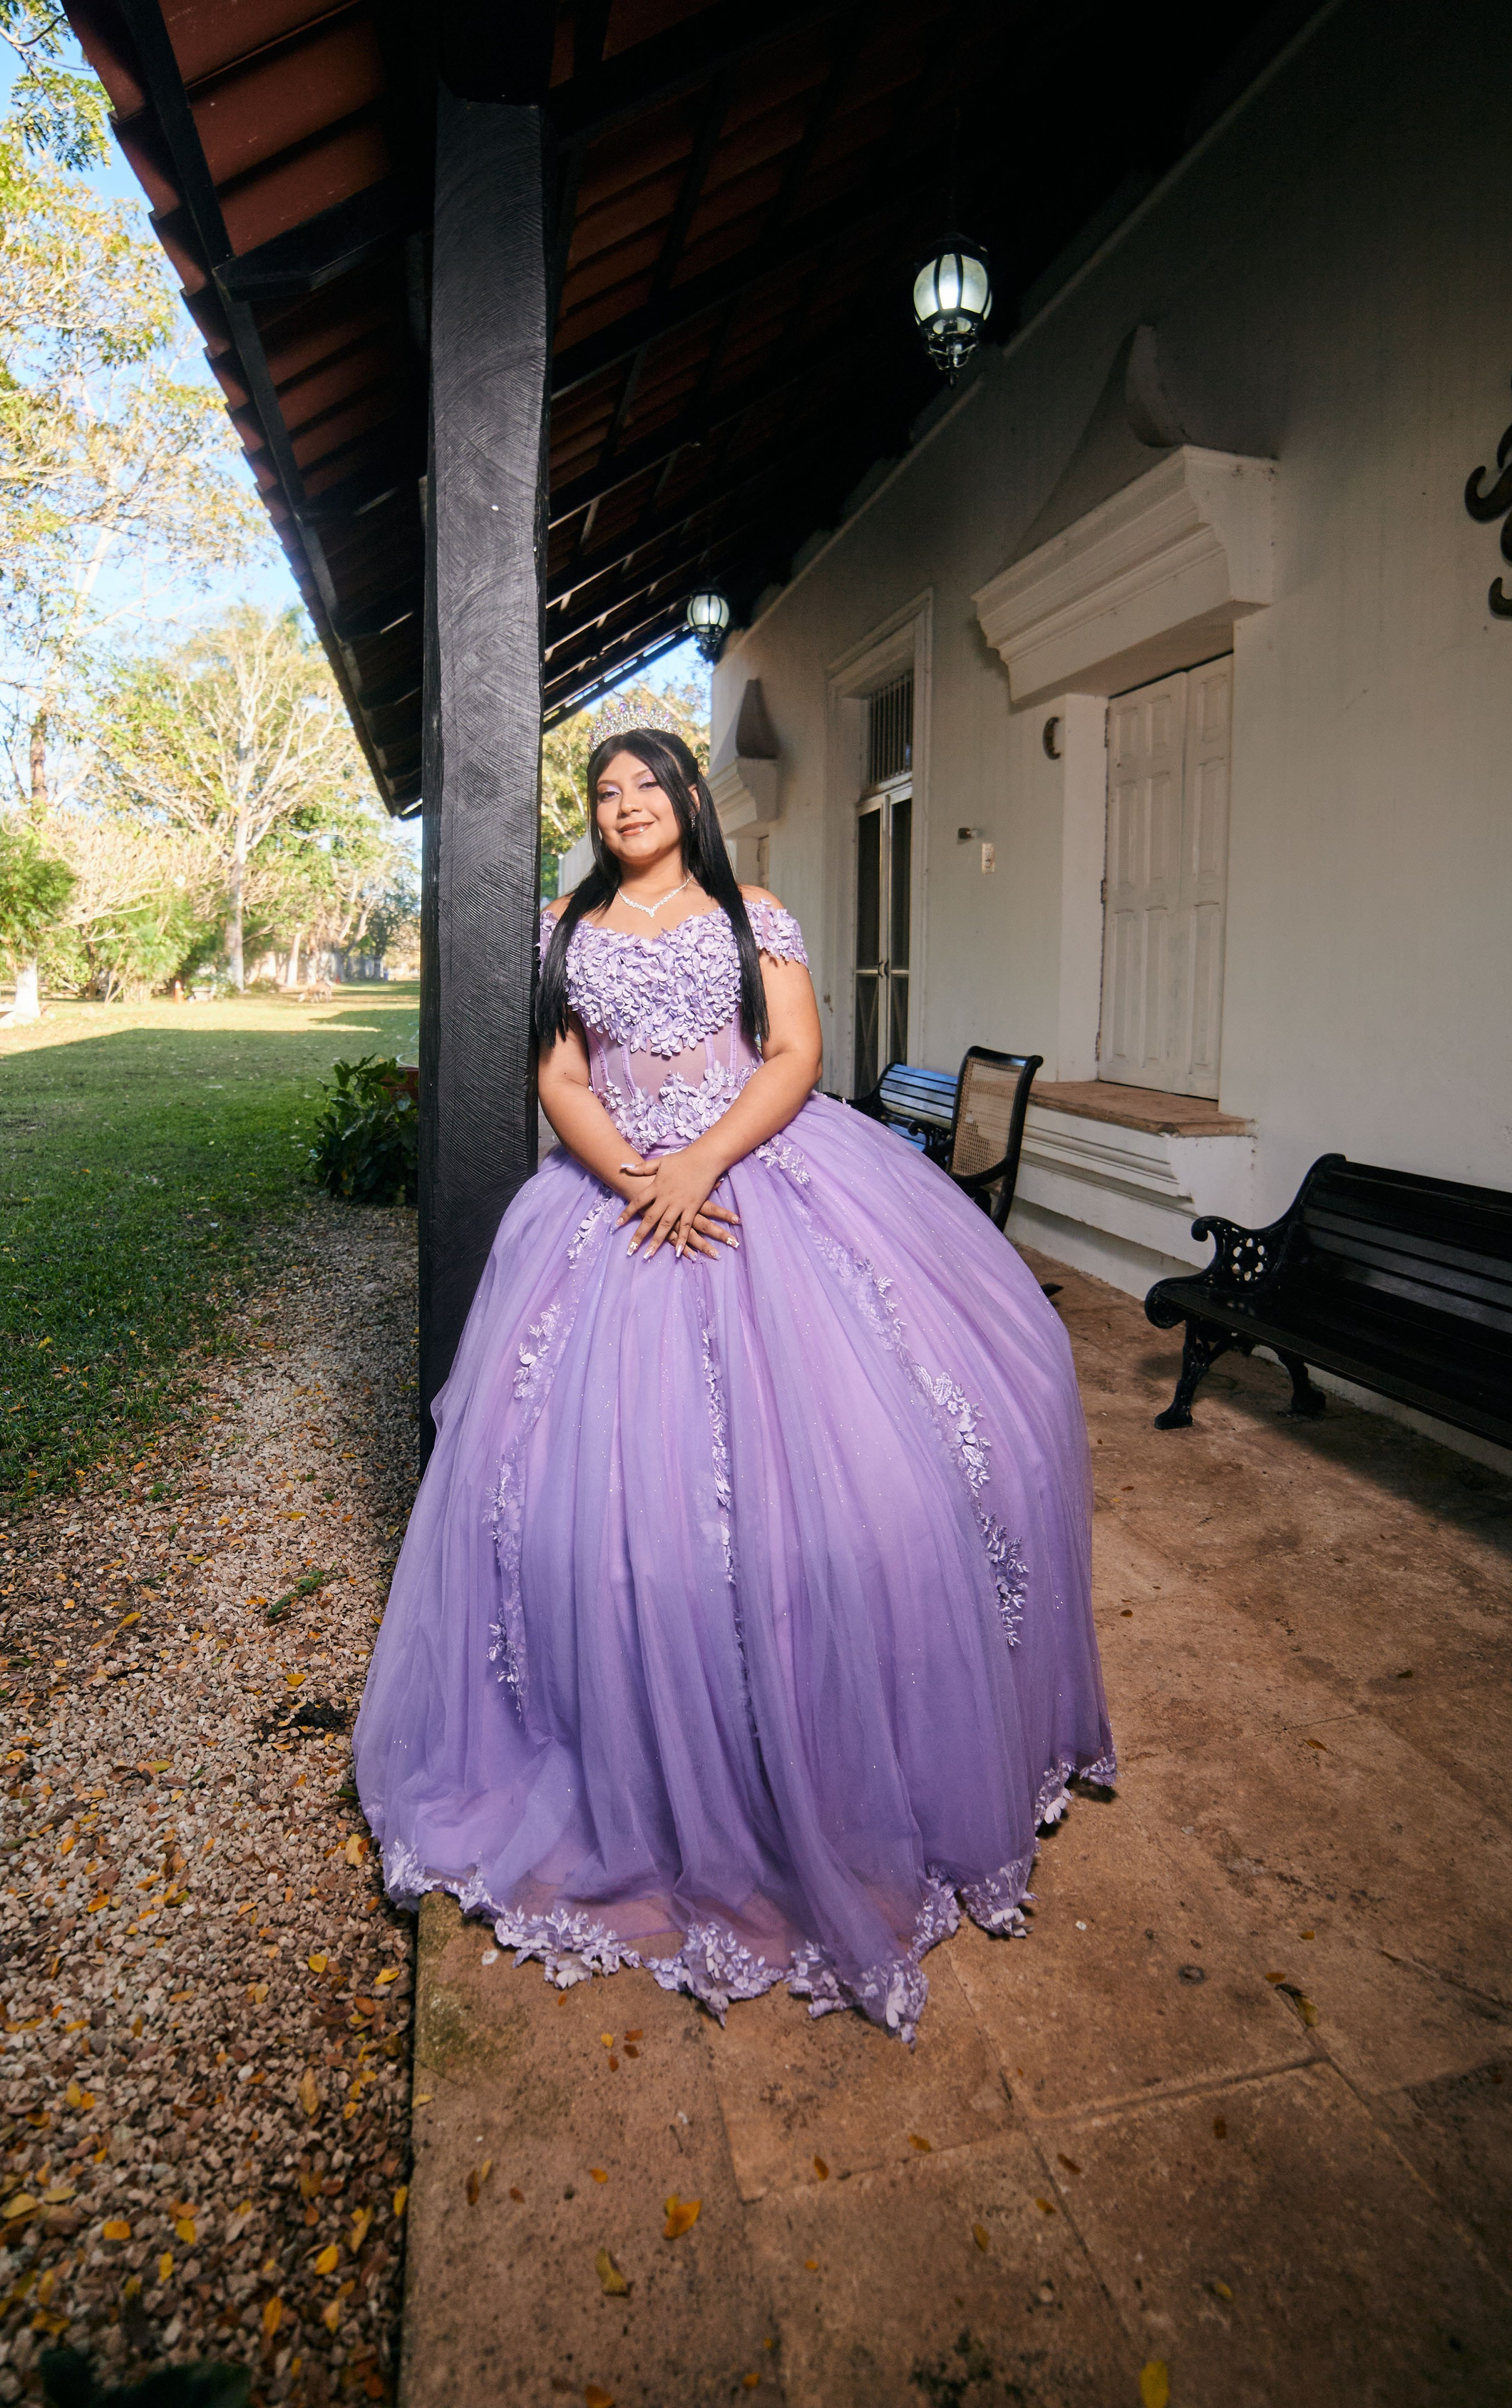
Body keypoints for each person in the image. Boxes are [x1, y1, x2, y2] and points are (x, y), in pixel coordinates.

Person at [353, 708, 1111, 2039]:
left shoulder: (755, 913)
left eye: (647, 782)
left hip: (763, 1175)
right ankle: (649, 1768)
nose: (625, 802)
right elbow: (559, 1073)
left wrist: (702, 1162)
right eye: (605, 790)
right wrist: (635, 1174)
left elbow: (798, 1055)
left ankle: (852, 1754)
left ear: (691, 799)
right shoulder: (564, 926)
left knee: (881, 1455)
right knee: (603, 1498)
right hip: (616, 1197)